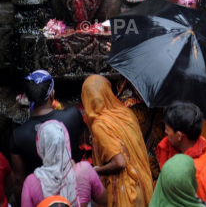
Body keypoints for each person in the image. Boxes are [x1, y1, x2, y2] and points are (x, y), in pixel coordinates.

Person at [10, 70, 84, 204]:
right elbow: (81, 146)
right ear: (52, 93)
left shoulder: (18, 135)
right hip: (74, 189)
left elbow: (19, 180)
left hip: (41, 196)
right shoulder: (72, 115)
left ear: (28, 97)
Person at [81, 75, 154, 207]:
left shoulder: (100, 125)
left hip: (126, 195)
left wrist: (95, 171)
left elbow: (120, 163)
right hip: (140, 185)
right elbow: (123, 139)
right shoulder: (125, 113)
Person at [21, 120, 107, 207]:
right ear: (66, 141)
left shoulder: (31, 182)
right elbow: (104, 200)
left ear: (41, 145)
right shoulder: (85, 170)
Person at [156, 103, 206, 178]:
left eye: (167, 129)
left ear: (179, 135)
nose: (165, 132)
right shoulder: (202, 141)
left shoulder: (192, 172)